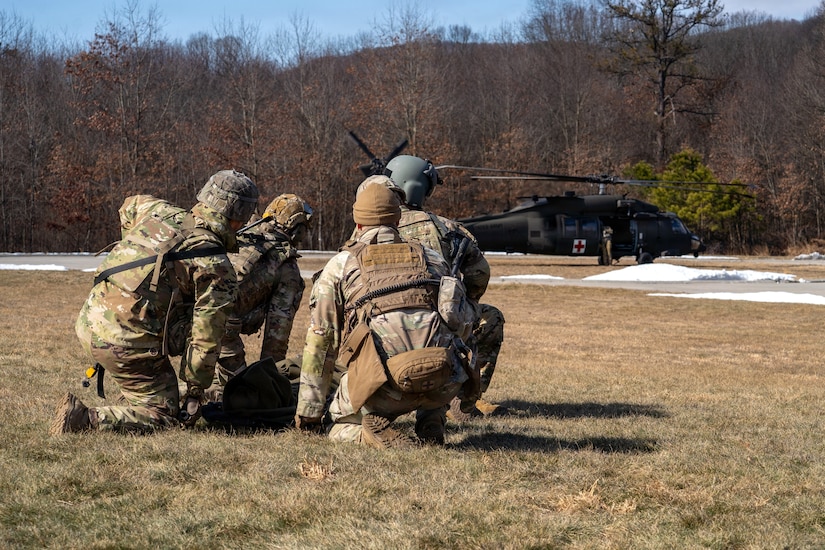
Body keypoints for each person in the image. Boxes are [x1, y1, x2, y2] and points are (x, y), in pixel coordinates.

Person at [50, 169, 259, 434]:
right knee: (164, 414)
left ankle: (136, 391)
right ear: (238, 216)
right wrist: (194, 392)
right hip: (124, 341)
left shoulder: (159, 211)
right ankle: (83, 419)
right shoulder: (215, 264)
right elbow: (207, 336)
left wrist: (134, 247)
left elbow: (130, 205)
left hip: (89, 321)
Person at [294, 183, 473, 448]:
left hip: (386, 389)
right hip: (441, 380)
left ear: (357, 222)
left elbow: (321, 342)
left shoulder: (341, 266)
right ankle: (431, 420)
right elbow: (460, 322)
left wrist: (309, 414)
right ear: (397, 219)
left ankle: (367, 434)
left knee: (338, 425)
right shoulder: (431, 257)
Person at [358, 156, 506, 419]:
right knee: (490, 317)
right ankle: (464, 402)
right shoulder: (448, 229)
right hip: (438, 330)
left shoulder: (367, 228)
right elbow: (479, 277)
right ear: (421, 187)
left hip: (380, 329)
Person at [207, 193, 311, 399]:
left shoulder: (241, 236)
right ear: (296, 228)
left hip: (193, 317)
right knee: (244, 396)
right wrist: (272, 380)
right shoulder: (286, 266)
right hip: (220, 326)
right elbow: (276, 339)